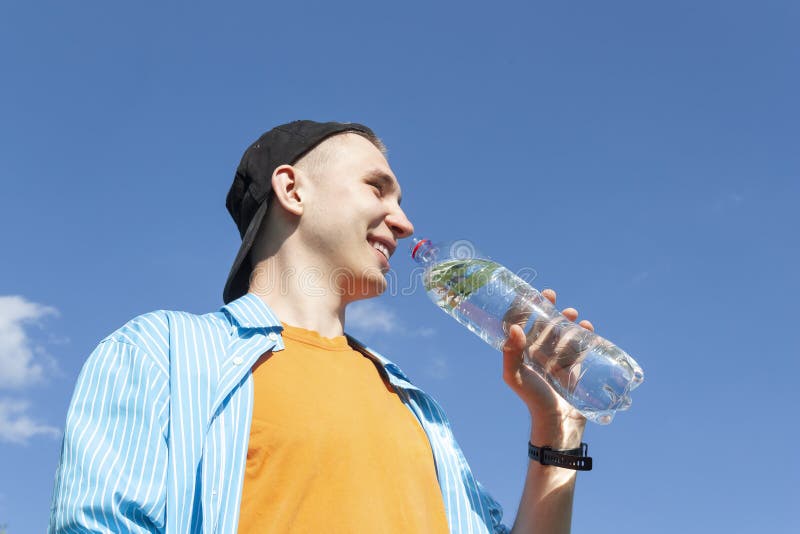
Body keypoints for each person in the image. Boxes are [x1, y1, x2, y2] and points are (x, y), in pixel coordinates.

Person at [48, 120, 596, 533]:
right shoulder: (162, 352)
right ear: (293, 190)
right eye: (377, 188)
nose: (404, 223)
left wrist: (558, 431)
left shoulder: (415, 407)